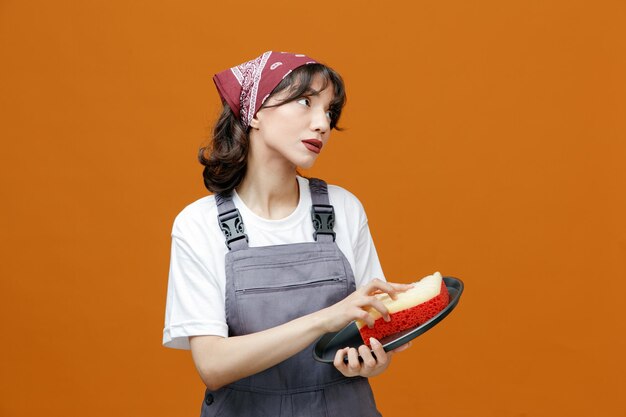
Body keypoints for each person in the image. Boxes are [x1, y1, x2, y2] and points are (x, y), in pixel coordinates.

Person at [162, 51, 413, 417]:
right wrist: (324, 319)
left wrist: (372, 361)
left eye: (329, 110)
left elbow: (369, 330)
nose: (322, 124)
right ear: (255, 113)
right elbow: (213, 366)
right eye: (305, 102)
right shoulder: (197, 224)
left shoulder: (344, 208)